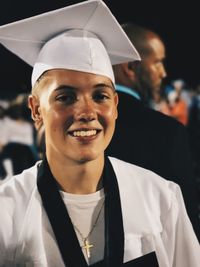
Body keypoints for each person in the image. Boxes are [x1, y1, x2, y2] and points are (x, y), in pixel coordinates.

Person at [0, 1, 199, 266]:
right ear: (36, 109)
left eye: (100, 95)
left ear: (115, 106)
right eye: (65, 97)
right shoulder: (7, 211)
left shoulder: (161, 198)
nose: (86, 111)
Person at [106, 22, 200, 241]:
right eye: (157, 62)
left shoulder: (79, 129)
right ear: (130, 67)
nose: (163, 73)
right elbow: (184, 225)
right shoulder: (167, 131)